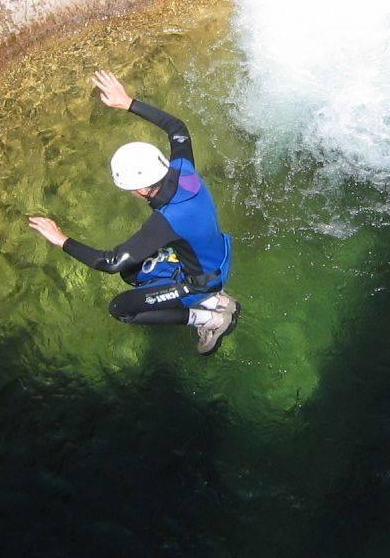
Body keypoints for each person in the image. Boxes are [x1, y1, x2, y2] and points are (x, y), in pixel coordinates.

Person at [27, 70, 240, 355]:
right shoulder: (183, 170)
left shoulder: (169, 220)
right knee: (132, 271)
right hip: (217, 256)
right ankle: (216, 300)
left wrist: (60, 239)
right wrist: (127, 102)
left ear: (139, 190)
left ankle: (210, 317)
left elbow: (110, 261)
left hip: (203, 279)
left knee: (121, 308)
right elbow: (177, 127)